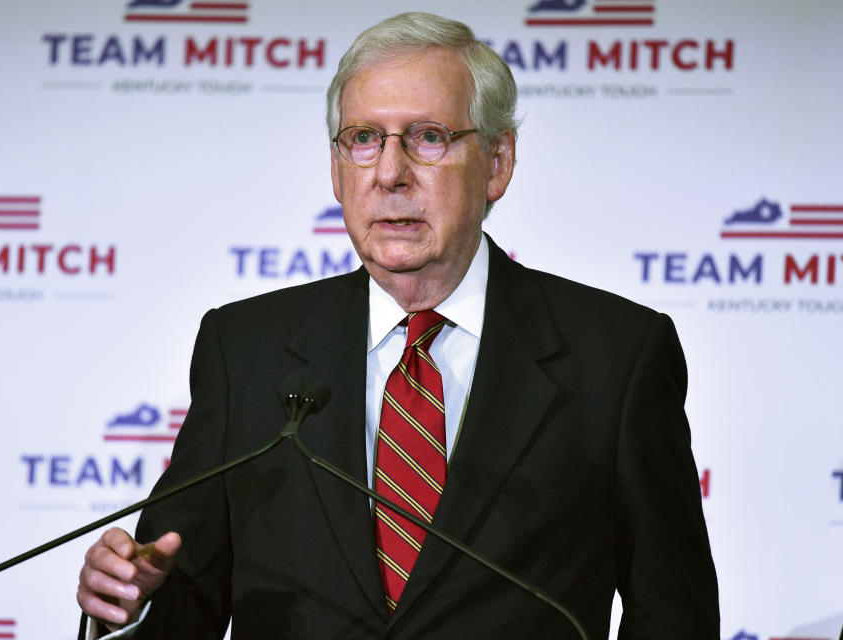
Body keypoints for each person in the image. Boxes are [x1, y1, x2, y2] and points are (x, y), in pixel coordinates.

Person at [77, 12, 719, 639]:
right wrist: (124, 607)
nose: (390, 174)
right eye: (363, 140)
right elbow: (178, 591)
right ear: (336, 168)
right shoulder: (243, 350)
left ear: (498, 162)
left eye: (428, 137)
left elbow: (674, 612)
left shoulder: (616, 356)